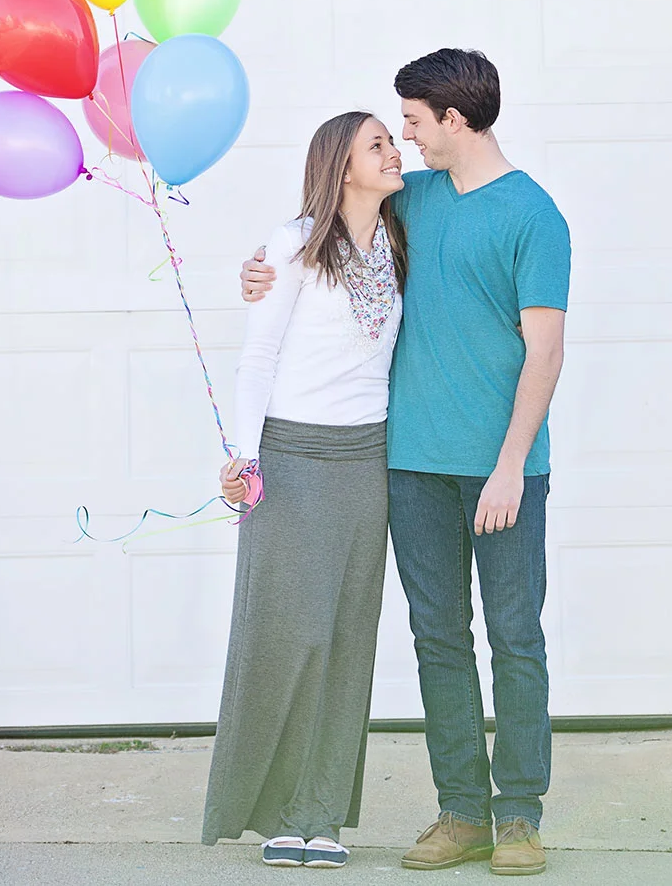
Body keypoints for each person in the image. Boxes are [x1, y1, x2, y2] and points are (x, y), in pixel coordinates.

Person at [242, 49, 569, 878]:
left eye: (414, 124)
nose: (406, 141)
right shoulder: (407, 201)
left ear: (453, 120)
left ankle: (519, 813)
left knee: (514, 638)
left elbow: (544, 352)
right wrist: (259, 268)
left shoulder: (533, 214)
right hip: (410, 467)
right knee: (437, 639)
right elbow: (320, 226)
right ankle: (460, 811)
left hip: (503, 472)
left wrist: (509, 464)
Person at [202, 110, 408, 869]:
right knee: (290, 634)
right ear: (340, 164)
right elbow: (257, 360)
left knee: (346, 639)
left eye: (394, 137)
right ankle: (271, 808)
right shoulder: (289, 244)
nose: (394, 151)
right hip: (288, 457)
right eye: (377, 143)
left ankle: (320, 812)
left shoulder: (400, 236)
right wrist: (243, 457)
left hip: (366, 461)